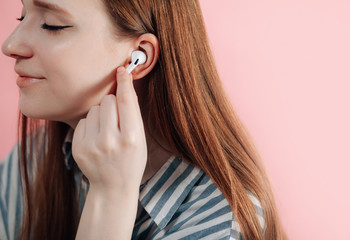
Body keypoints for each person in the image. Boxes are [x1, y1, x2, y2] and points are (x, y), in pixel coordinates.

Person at [0, 0, 288, 239]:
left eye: (52, 24)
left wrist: (110, 197)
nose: (10, 44)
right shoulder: (34, 158)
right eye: (22, 16)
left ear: (137, 58)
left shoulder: (219, 223)